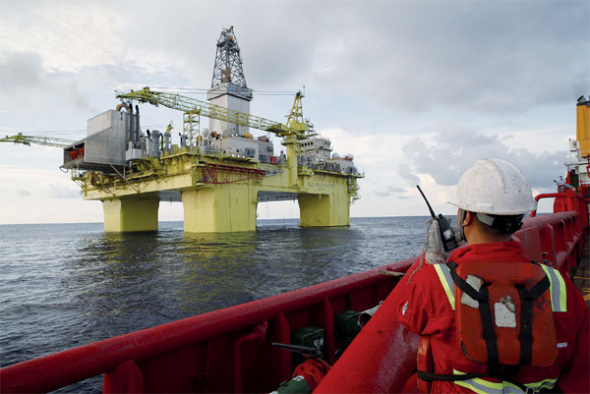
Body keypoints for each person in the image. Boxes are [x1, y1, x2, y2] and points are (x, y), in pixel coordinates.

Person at [396, 158, 589, 393]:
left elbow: (407, 315)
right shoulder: (561, 286)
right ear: (518, 219)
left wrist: (434, 260)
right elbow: (581, 370)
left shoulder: (436, 281)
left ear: (465, 217)